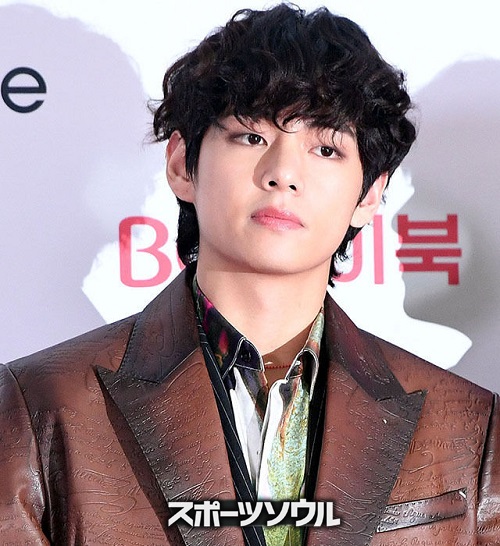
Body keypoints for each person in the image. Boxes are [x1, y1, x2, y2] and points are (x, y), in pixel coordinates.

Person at [0, 4, 498, 545]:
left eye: (325, 148)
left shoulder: (470, 427)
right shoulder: (40, 404)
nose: (283, 174)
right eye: (250, 137)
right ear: (182, 164)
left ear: (370, 194)